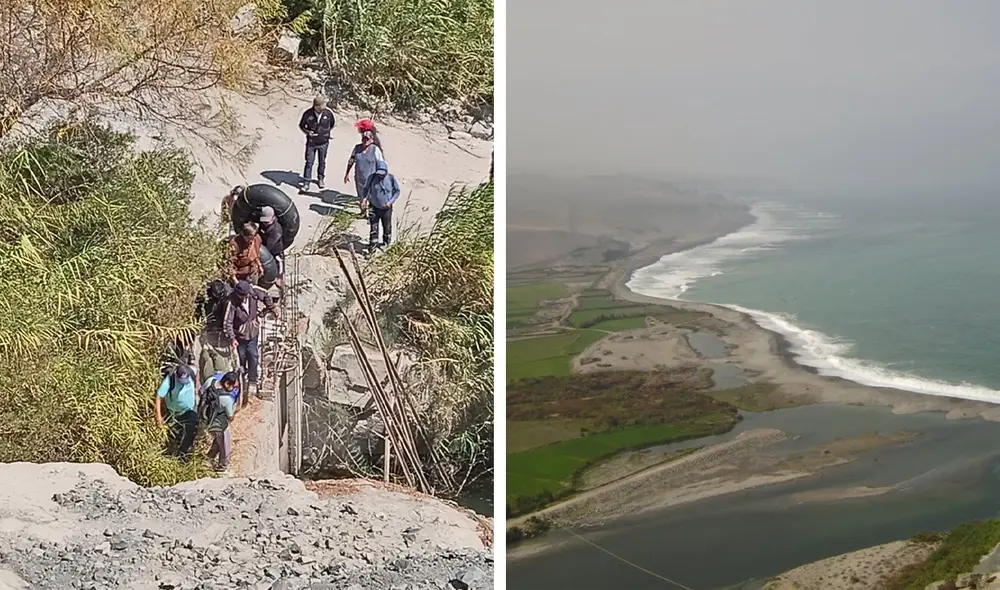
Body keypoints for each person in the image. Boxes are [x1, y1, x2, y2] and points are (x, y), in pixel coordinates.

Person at [223, 280, 279, 395]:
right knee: (241, 358)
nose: (245, 298)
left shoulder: (253, 291)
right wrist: (232, 338)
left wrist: (271, 308)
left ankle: (252, 381)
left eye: (246, 295)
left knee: (253, 355)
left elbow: (266, 295)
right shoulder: (231, 302)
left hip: (253, 331)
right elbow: (227, 322)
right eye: (242, 296)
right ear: (238, 294)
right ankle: (242, 378)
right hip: (240, 336)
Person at [155, 364, 199, 460]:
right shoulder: (169, 380)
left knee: (191, 432)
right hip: (174, 413)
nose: (184, 383)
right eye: (181, 381)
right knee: (175, 435)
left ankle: (183, 454)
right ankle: (171, 454)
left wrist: (196, 387)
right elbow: (159, 396)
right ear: (176, 375)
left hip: (189, 411)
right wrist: (158, 416)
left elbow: (197, 371)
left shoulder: (191, 371)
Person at [195, 280, 236, 383]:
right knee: (205, 357)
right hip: (209, 326)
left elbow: (228, 316)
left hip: (221, 329)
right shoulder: (206, 296)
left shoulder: (227, 298)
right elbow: (200, 308)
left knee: (222, 360)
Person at [199, 371, 240, 473]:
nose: (234, 389)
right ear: (227, 384)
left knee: (218, 441)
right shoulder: (227, 399)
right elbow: (230, 417)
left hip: (204, 418)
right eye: (233, 387)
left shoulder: (210, 381)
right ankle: (222, 466)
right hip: (217, 425)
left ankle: (209, 457)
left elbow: (201, 392)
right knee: (225, 444)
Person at [344, 127, 386, 218]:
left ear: (371, 140)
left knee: (372, 198)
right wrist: (347, 173)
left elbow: (381, 163)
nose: (365, 141)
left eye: (367, 139)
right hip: (359, 178)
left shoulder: (375, 150)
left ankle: (372, 216)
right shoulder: (357, 148)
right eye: (364, 139)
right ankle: (363, 213)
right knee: (361, 197)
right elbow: (351, 160)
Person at [362, 160, 401, 252]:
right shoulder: (371, 178)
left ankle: (386, 243)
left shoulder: (391, 179)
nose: (380, 175)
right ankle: (373, 246)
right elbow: (366, 189)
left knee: (387, 227)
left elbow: (397, 191)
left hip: (386, 208)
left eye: (382, 174)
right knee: (373, 227)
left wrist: (391, 202)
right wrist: (364, 199)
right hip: (373, 207)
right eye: (379, 173)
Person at [298, 95, 336, 189]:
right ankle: (306, 182)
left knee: (322, 162)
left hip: (324, 142)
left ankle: (321, 179)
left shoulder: (328, 113)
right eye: (322, 105)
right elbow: (302, 125)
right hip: (311, 143)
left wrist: (325, 133)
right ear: (316, 106)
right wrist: (308, 132)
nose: (324, 107)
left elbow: (332, 124)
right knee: (309, 162)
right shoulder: (308, 114)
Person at [258, 206, 285, 297]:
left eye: (268, 221)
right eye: (264, 221)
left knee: (278, 262)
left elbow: (269, 246)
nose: (265, 223)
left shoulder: (276, 230)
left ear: (273, 218)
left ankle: (279, 278)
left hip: (274, 250)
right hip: (264, 245)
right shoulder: (263, 224)